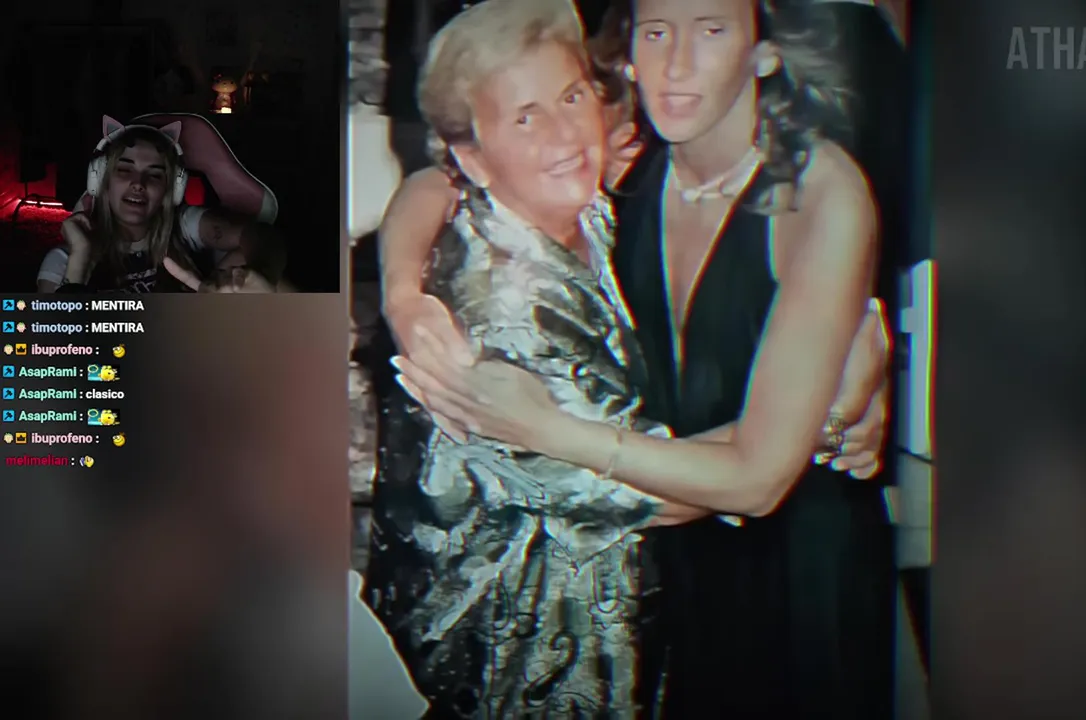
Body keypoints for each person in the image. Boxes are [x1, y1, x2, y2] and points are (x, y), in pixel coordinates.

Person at [377, 0, 896, 716]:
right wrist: (828, 412)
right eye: (656, 32)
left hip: (797, 576)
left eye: (711, 29)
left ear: (764, 50)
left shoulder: (794, 192)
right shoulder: (602, 191)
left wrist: (832, 384)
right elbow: (444, 173)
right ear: (629, 55)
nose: (677, 63)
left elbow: (759, 477)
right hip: (616, 615)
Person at [362, 1, 723, 715]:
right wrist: (802, 427)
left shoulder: (583, 212)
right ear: (473, 158)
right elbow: (670, 493)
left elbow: (431, 183)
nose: (564, 134)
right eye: (526, 118)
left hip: (608, 630)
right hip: (535, 667)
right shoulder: (501, 315)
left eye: (571, 97)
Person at [36, 117, 287, 294]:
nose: (138, 183)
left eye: (155, 175)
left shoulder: (182, 224)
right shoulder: (64, 259)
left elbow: (260, 235)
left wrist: (261, 275)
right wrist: (80, 261)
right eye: (124, 170)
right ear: (100, 180)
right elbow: (57, 345)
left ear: (172, 190)